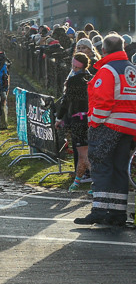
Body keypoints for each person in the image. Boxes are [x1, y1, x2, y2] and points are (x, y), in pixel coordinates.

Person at [75, 34, 136, 227]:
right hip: (129, 126)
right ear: (123, 48)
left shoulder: (108, 70)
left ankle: (100, 210)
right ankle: (117, 213)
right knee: (119, 168)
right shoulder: (131, 69)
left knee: (101, 166)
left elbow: (103, 100)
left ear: (103, 50)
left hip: (108, 125)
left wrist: (95, 122)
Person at [56, 52, 93, 192]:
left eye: (74, 66)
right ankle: (77, 182)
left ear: (77, 66)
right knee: (84, 153)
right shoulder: (91, 78)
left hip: (78, 120)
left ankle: (97, 183)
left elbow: (66, 101)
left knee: (83, 154)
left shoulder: (73, 81)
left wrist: (59, 118)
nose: (73, 68)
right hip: (91, 119)